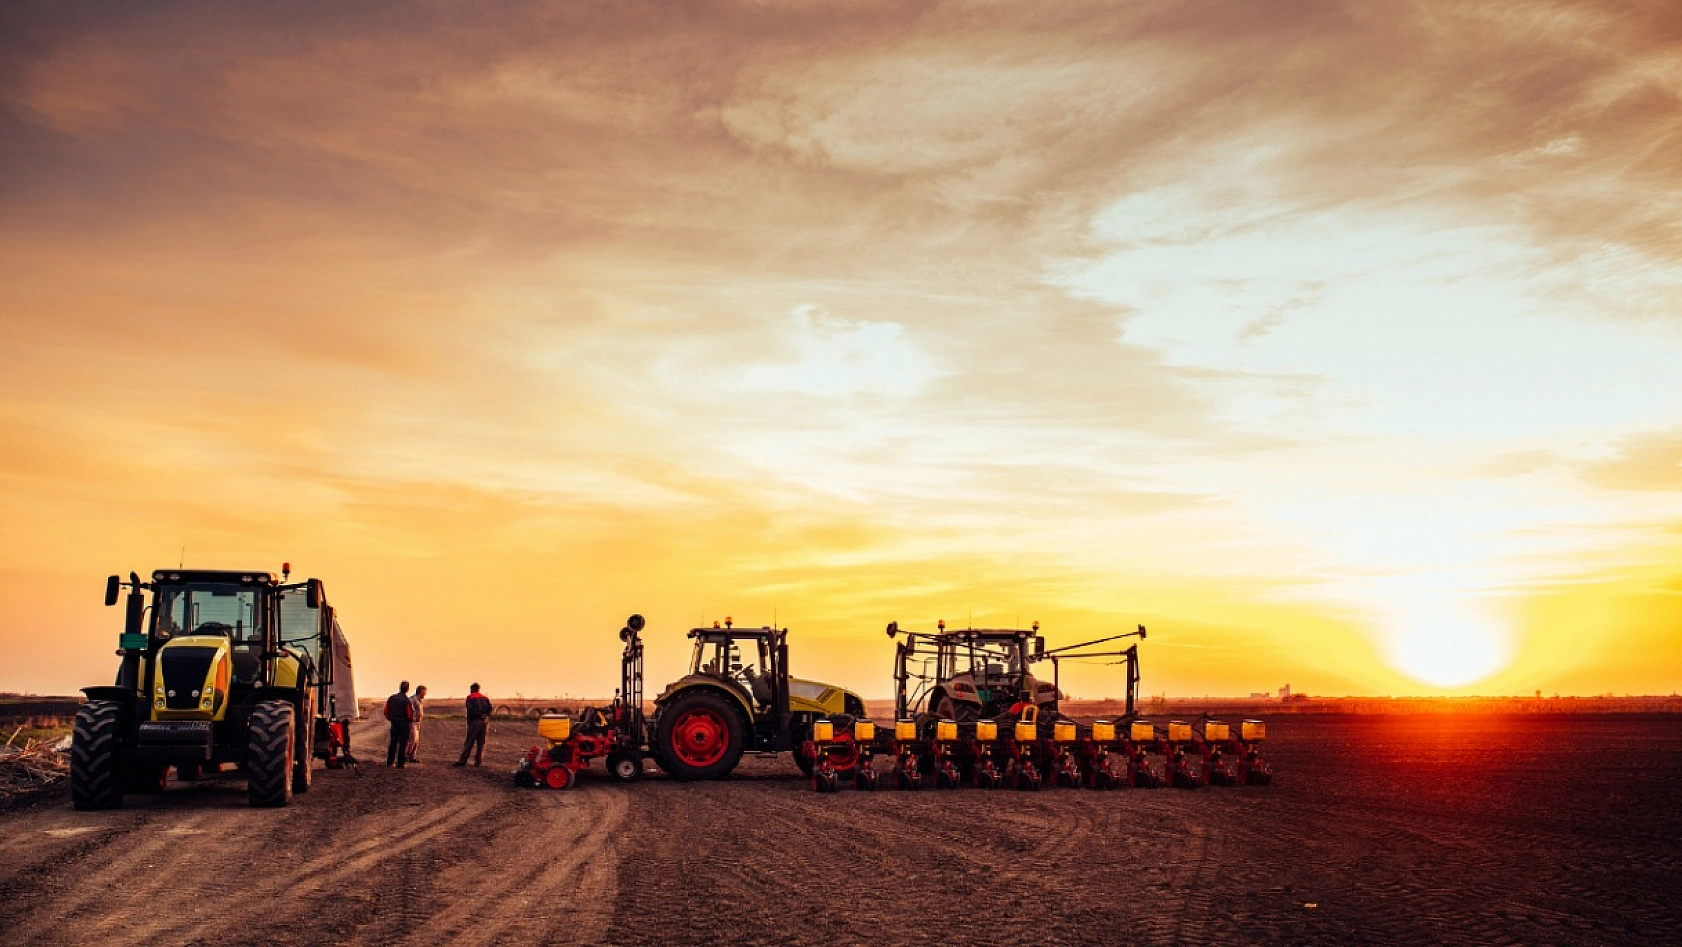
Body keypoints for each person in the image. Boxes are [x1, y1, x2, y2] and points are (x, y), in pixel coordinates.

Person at [453, 683, 492, 767]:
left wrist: (478, 715)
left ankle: (462, 761)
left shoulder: (470, 697)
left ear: (472, 689)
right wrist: (485, 715)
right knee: (481, 743)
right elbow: (490, 708)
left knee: (469, 742)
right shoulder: (485, 698)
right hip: (484, 722)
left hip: (475, 721)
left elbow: (471, 709)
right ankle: (478, 761)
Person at [384, 681, 415, 768]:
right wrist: (411, 720)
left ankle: (390, 762)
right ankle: (400, 763)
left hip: (394, 723)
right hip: (404, 724)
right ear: (407, 689)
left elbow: (386, 711)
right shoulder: (406, 700)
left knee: (393, 743)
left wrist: (391, 719)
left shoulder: (392, 698)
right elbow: (409, 714)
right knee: (403, 744)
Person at [405, 685, 427, 763]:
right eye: (424, 692)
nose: (425, 694)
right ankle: (406, 756)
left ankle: (412, 757)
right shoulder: (412, 699)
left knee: (416, 741)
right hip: (412, 722)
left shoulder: (419, 700)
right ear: (420, 692)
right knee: (412, 740)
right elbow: (408, 710)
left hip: (417, 722)